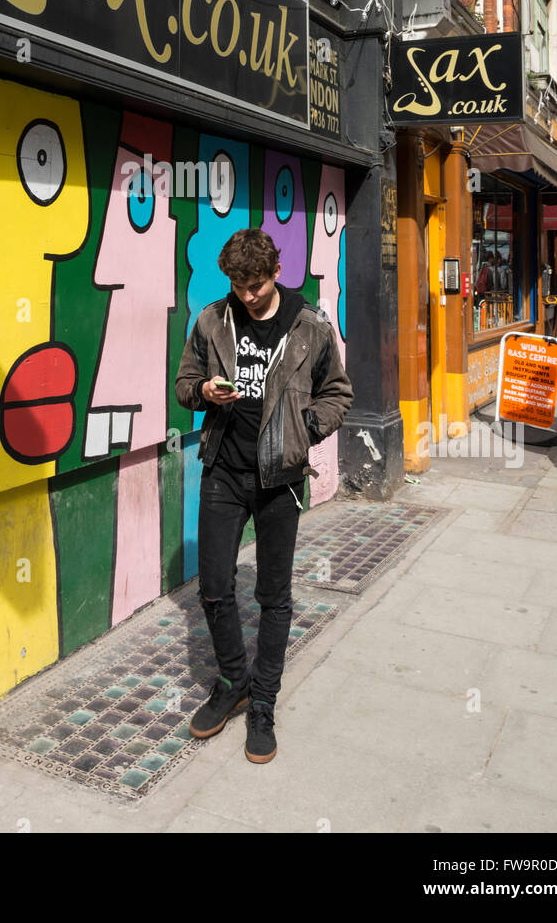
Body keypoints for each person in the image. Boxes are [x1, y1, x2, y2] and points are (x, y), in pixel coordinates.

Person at [174, 227, 353, 763]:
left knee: (273, 596)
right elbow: (183, 385)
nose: (247, 295)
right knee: (213, 585)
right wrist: (203, 391)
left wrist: (304, 427)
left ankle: (263, 703)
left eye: (254, 284)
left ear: (274, 272)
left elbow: (338, 394)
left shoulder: (310, 327)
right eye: (238, 284)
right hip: (224, 471)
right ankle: (233, 680)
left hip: (280, 479)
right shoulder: (212, 319)